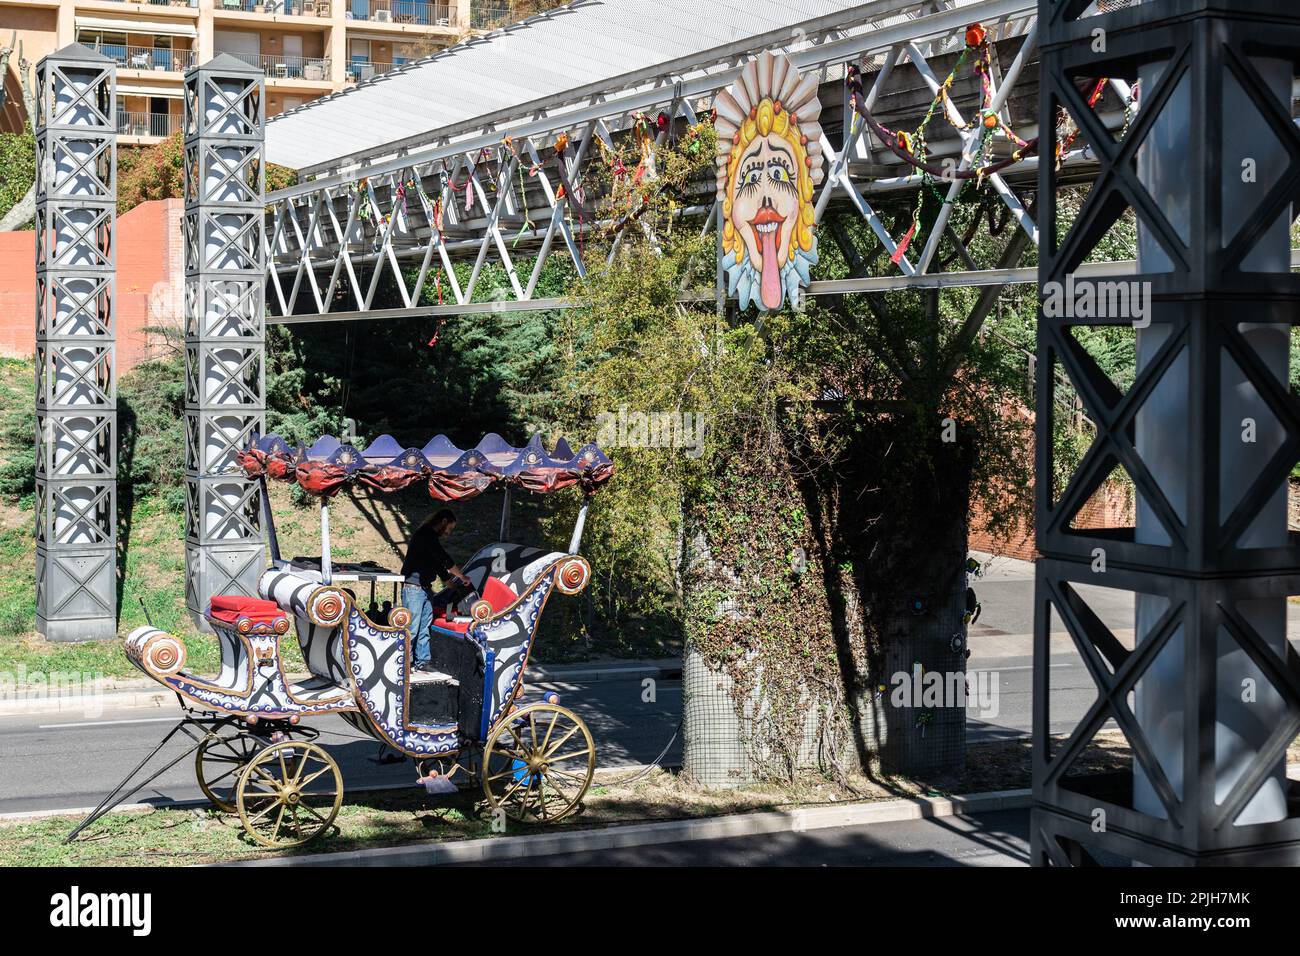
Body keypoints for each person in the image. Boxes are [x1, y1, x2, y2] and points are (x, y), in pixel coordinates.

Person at [401, 508, 472, 665]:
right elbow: (444, 559)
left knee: (424, 628)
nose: (449, 532)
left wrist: (453, 585)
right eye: (450, 528)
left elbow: (437, 565)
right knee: (412, 629)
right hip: (414, 588)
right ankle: (405, 665)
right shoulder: (426, 535)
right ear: (444, 522)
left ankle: (422, 662)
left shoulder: (428, 538)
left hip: (424, 589)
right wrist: (461, 576)